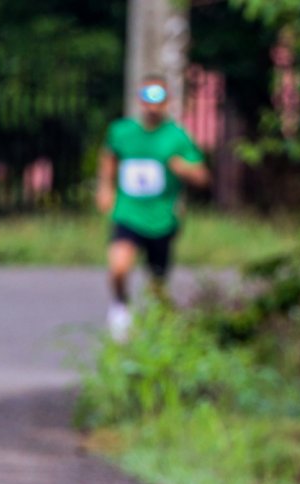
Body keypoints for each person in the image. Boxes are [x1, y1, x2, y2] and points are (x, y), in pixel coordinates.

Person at [97, 76, 211, 339]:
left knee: (157, 280)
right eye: (147, 100)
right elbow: (109, 156)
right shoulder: (122, 131)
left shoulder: (176, 137)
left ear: (167, 102)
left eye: (158, 101)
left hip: (162, 217)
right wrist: (105, 187)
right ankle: (120, 307)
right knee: (118, 266)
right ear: (140, 101)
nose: (152, 107)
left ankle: (159, 325)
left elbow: (203, 176)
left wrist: (183, 168)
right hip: (128, 213)